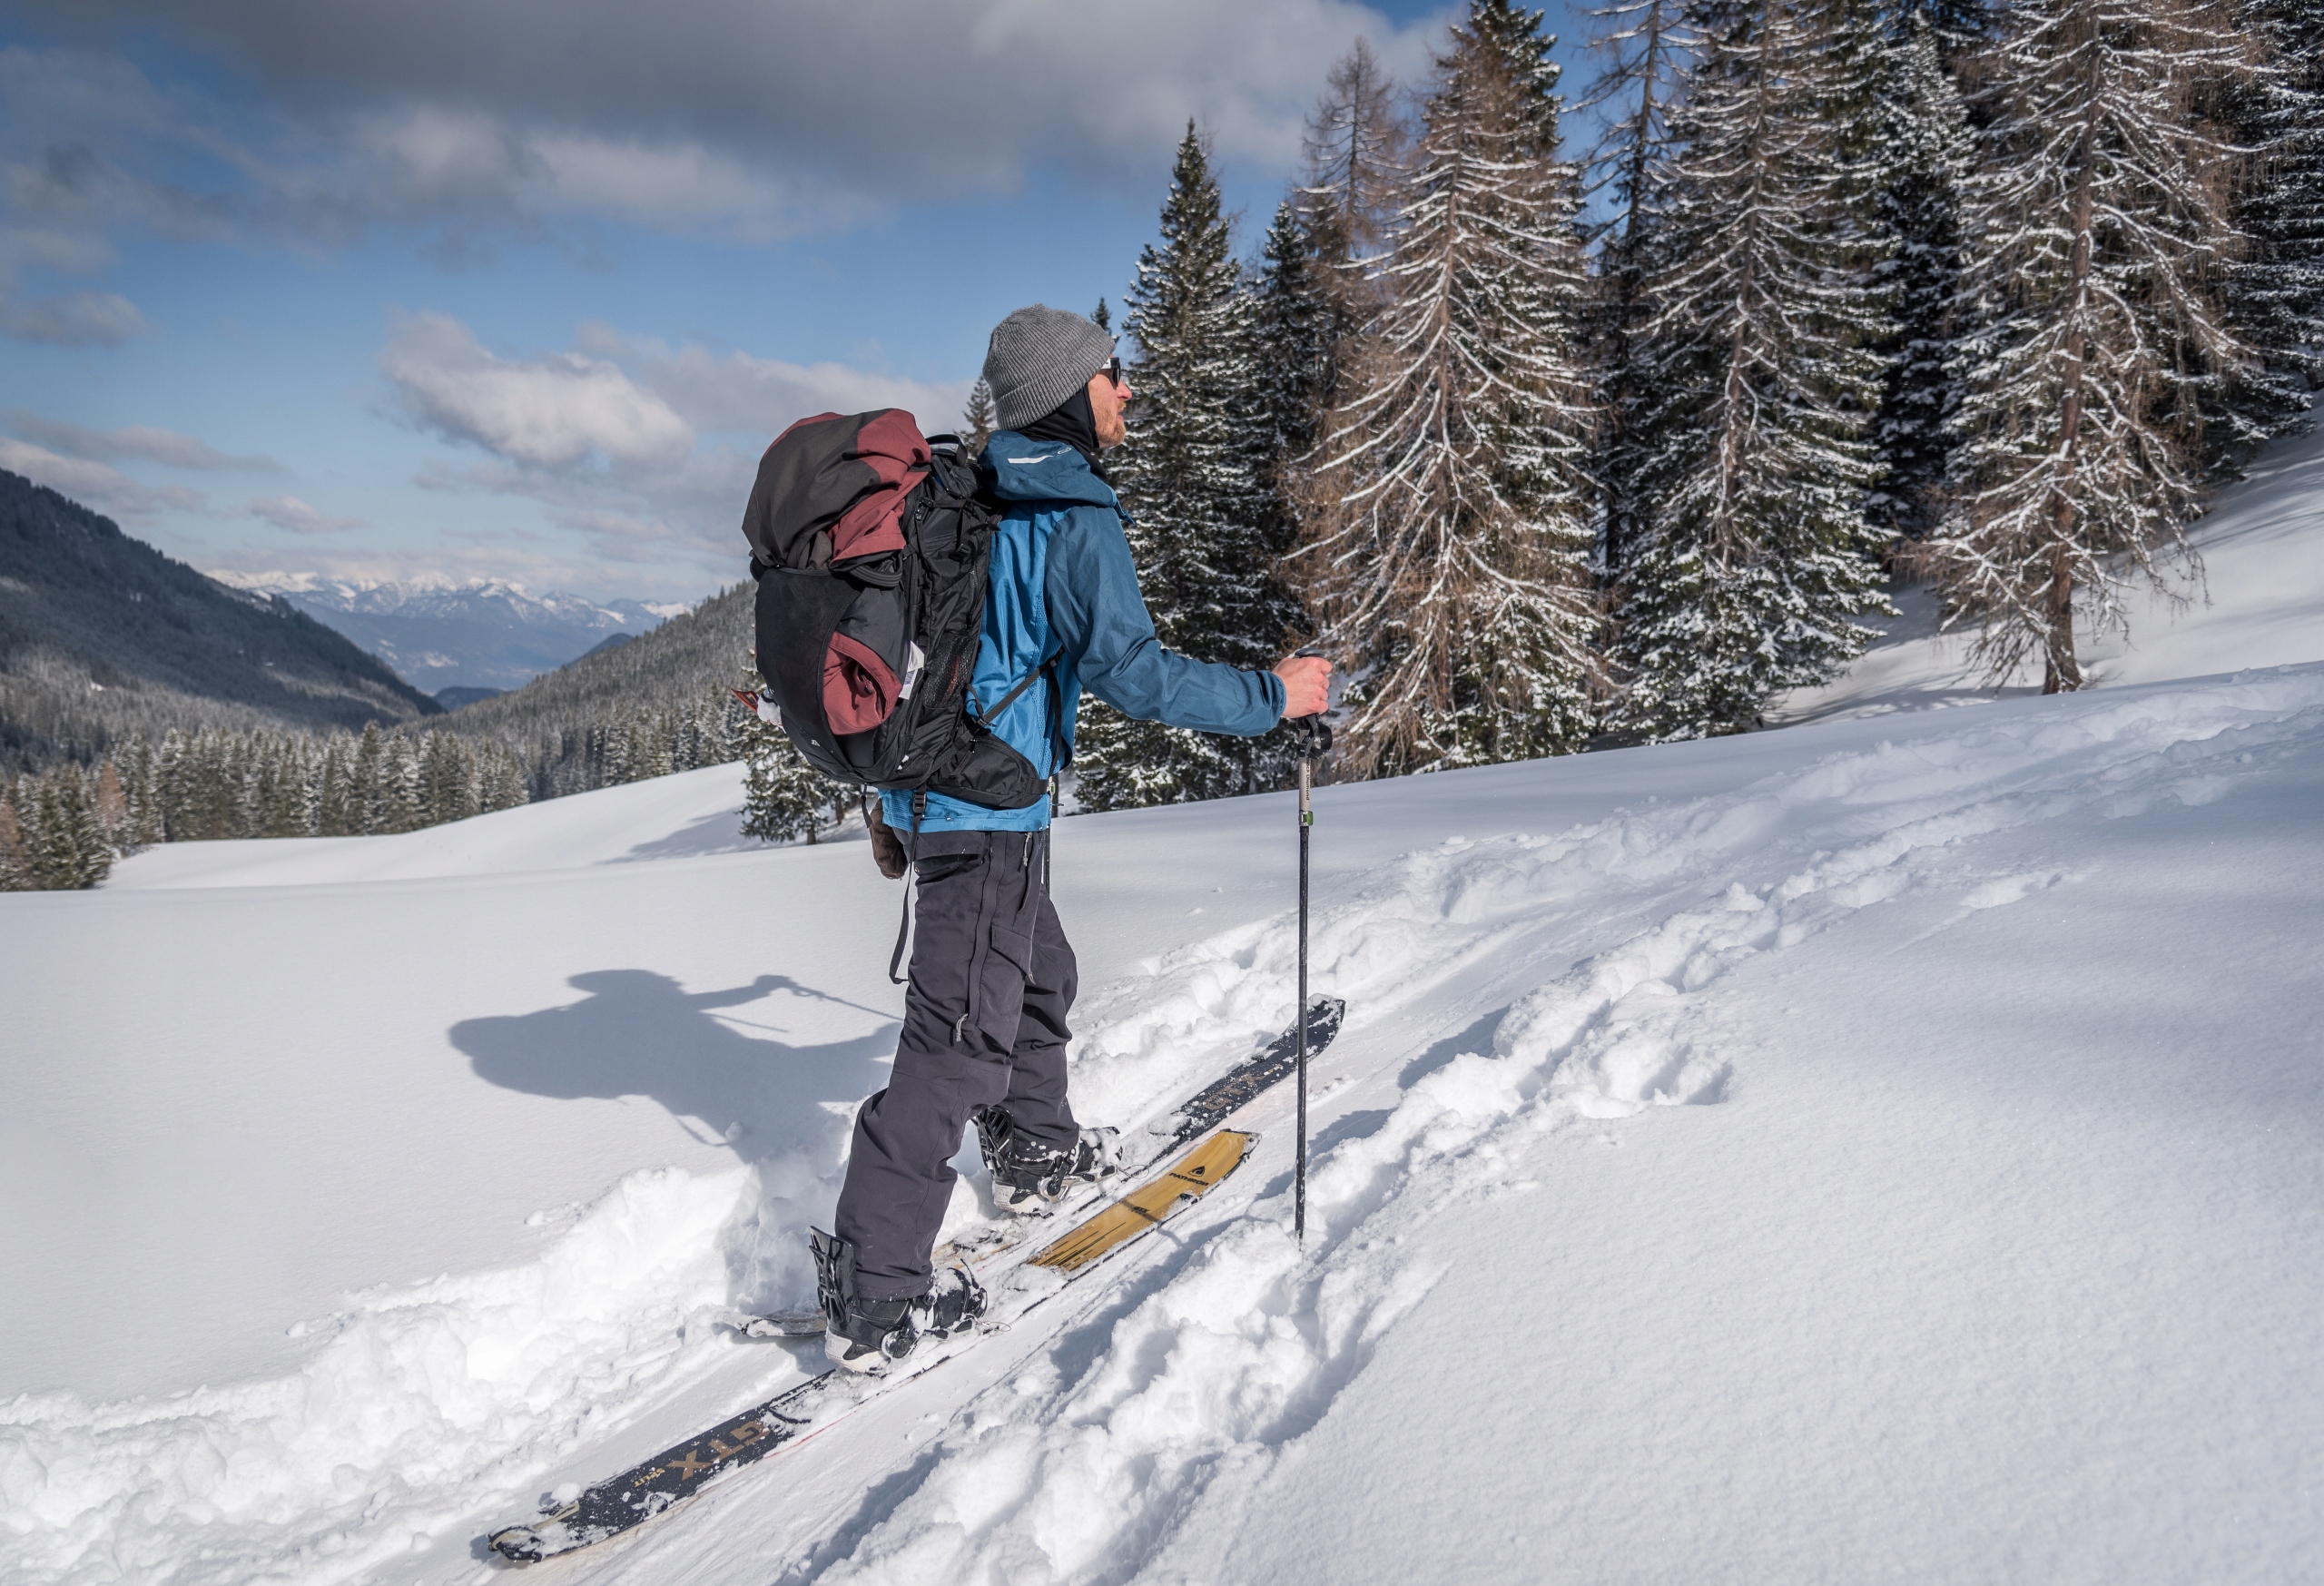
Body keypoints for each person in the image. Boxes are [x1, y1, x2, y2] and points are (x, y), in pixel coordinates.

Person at [816, 304, 1331, 1372]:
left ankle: (1038, 1151)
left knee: (1038, 973)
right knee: (954, 1050)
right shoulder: (1065, 510)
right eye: (1112, 373)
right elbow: (1135, 674)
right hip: (979, 809)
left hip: (959, 798)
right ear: (1067, 390)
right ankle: (875, 1294)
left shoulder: (973, 487)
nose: (1127, 388)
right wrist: (1272, 697)